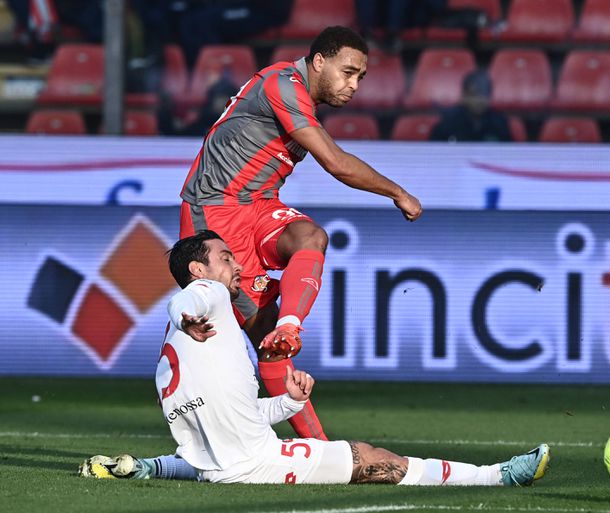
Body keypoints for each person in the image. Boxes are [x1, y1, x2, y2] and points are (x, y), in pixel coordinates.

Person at [79, 231, 550, 486]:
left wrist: (288, 402)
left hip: (218, 463)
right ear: (198, 270)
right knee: (373, 459)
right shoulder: (205, 298)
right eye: (225, 258)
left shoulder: (180, 347)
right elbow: (187, 299)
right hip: (257, 464)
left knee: (216, 463)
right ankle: (497, 476)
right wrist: (186, 314)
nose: (237, 265)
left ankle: (147, 467)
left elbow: (228, 423)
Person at [178, 26, 423, 440]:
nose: (354, 85)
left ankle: (290, 327)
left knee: (311, 238)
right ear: (319, 62)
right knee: (261, 333)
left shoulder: (300, 99)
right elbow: (336, 162)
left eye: (361, 77)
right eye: (348, 72)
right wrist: (398, 192)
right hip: (215, 212)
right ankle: (318, 446)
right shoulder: (282, 84)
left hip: (259, 204)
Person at [430, 70, 512, 143]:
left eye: (484, 94)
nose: (480, 100)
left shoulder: (500, 123)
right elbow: (433, 149)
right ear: (464, 96)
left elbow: (509, 152)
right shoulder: (448, 122)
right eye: (474, 95)